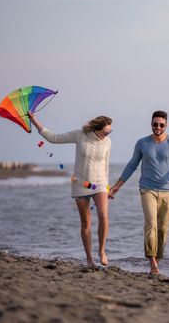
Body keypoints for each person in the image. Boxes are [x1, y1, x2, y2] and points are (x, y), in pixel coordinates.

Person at [108, 110, 169, 274]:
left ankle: (157, 258)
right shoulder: (142, 143)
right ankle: (152, 262)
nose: (158, 127)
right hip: (147, 189)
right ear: (151, 124)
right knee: (151, 224)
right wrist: (117, 186)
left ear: (166, 125)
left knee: (163, 229)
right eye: (155, 124)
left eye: (161, 125)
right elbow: (132, 165)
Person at [28, 111, 112, 267]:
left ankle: (102, 251)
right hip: (80, 183)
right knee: (86, 222)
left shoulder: (107, 142)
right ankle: (89, 258)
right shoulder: (80, 135)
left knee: (104, 216)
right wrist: (34, 121)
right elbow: (54, 138)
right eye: (106, 131)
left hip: (100, 183)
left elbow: (106, 165)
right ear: (98, 128)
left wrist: (107, 187)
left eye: (110, 131)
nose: (108, 134)